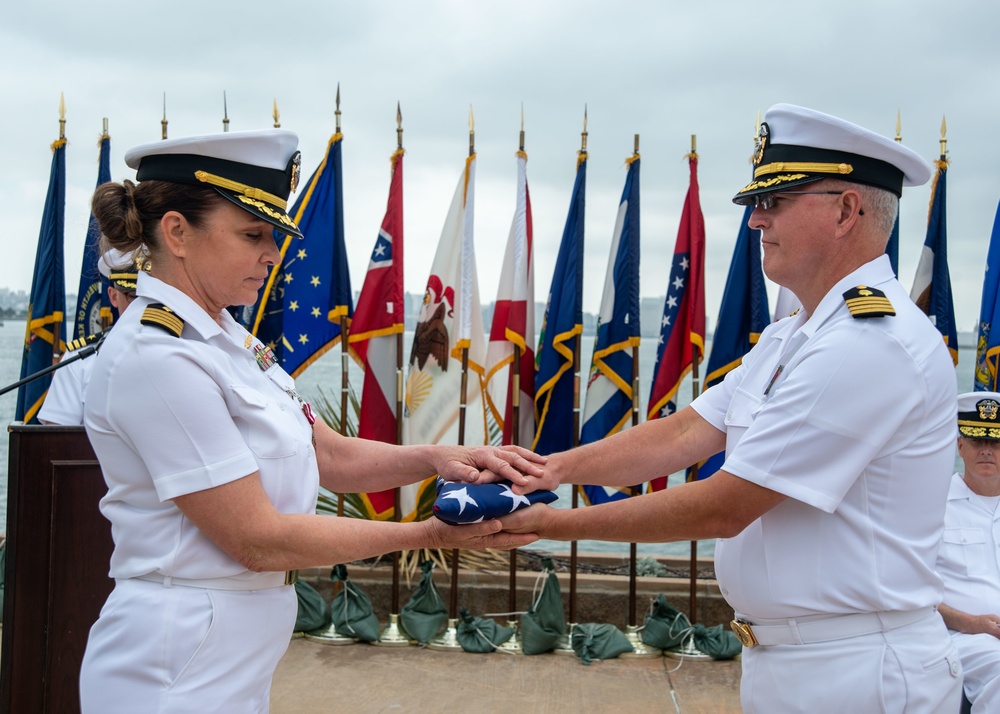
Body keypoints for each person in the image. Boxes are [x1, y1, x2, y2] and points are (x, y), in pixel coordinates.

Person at [502, 104, 963, 712]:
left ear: (847, 210)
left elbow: (728, 505)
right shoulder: (793, 335)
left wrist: (551, 524)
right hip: (794, 659)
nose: (755, 220)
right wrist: (548, 471)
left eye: (775, 202)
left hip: (858, 670)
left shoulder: (870, 344)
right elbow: (686, 431)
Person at [77, 128, 544, 713]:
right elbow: (256, 538)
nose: (272, 252)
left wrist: (436, 459)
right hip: (174, 659)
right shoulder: (158, 357)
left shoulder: (224, 337)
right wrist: (427, 535)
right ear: (176, 232)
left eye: (273, 234)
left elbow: (328, 456)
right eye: (253, 234)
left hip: (230, 651)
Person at [936, 392, 1000, 713]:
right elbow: (909, 588)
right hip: (963, 638)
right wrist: (972, 623)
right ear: (961, 446)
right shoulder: (933, 507)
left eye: (996, 442)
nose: (987, 450)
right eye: (977, 441)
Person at [38, 249, 139, 425]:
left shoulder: (191, 349)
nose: (143, 306)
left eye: (151, 297)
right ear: (113, 297)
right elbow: (56, 439)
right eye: (133, 297)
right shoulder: (79, 360)